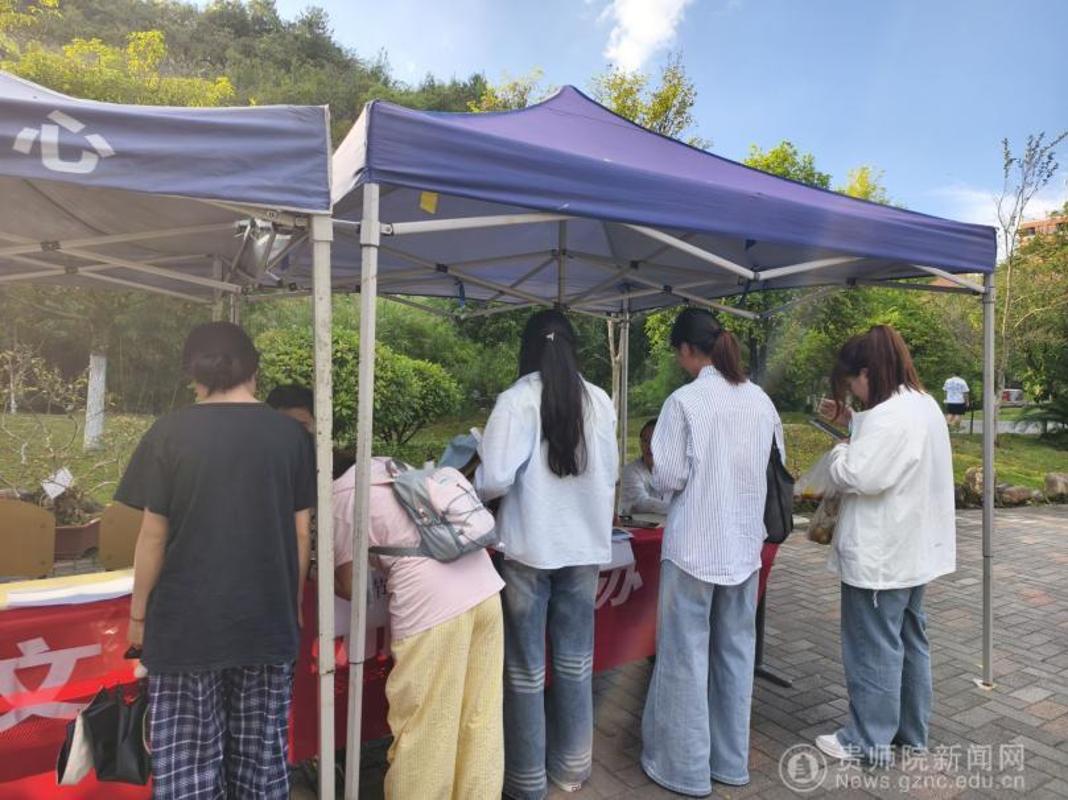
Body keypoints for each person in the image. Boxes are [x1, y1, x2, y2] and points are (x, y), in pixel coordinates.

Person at [117, 322, 315, 800]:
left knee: (188, 764)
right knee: (261, 761)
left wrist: (139, 617)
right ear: (254, 370)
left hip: (185, 626)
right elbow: (300, 532)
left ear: (194, 374)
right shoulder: (290, 436)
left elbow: (153, 536)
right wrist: (291, 603)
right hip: (266, 622)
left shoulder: (170, 431)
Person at [640, 307, 784, 797]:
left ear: (686, 349)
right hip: (744, 544)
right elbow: (777, 464)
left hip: (694, 547)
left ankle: (683, 768)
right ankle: (729, 761)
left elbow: (668, 476)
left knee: (684, 656)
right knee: (735, 655)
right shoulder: (761, 400)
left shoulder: (684, 402)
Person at [476, 309, 618, 799]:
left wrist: (476, 472)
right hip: (584, 548)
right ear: (574, 347)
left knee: (525, 669)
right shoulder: (600, 399)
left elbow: (494, 478)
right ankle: (573, 768)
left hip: (528, 550)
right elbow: (610, 473)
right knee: (576, 662)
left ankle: (527, 782)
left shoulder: (516, 400)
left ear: (528, 348)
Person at [814, 325, 956, 764]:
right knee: (910, 643)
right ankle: (910, 734)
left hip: (880, 556)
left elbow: (859, 474)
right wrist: (851, 421)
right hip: (913, 551)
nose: (855, 394)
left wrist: (839, 450)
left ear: (867, 372)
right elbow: (887, 443)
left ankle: (867, 740)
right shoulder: (923, 404)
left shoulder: (889, 415)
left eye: (853, 384)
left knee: (873, 647)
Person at [333, 459, 505, 799]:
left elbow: (351, 585)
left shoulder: (341, 494)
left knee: (426, 730)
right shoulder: (396, 469)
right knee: (481, 717)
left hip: (431, 612)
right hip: (486, 591)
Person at [266, 383, 355, 479]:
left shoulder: (344, 470)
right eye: (282, 427)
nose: (291, 433)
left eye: (299, 426)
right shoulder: (262, 466)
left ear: (318, 427)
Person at [620, 418, 672, 516]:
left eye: (655, 440)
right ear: (640, 444)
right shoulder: (631, 471)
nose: (649, 446)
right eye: (645, 441)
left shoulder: (675, 471)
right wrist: (675, 509)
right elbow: (641, 502)